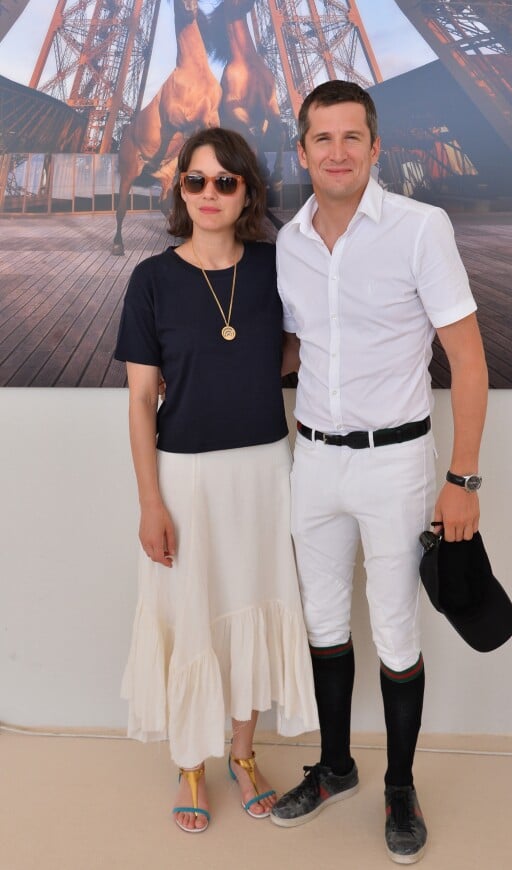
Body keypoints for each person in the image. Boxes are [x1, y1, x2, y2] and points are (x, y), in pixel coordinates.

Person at [270, 81, 488, 865]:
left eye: (350, 138)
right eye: (321, 139)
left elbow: (467, 360)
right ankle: (335, 768)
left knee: (396, 628)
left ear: (374, 147)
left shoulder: (421, 229)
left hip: (398, 462)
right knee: (324, 624)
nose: (336, 152)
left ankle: (400, 785)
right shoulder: (289, 241)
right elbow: (294, 349)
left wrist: (462, 479)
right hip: (314, 460)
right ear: (303, 152)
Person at [114, 127, 318, 834]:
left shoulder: (274, 265)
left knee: (252, 611)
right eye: (195, 181)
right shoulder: (152, 279)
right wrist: (150, 502)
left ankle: (241, 754)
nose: (209, 194)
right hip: (185, 477)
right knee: (192, 617)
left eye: (225, 182)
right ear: (179, 189)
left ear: (247, 193)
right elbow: (142, 401)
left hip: (265, 471)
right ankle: (191, 762)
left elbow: (302, 344)